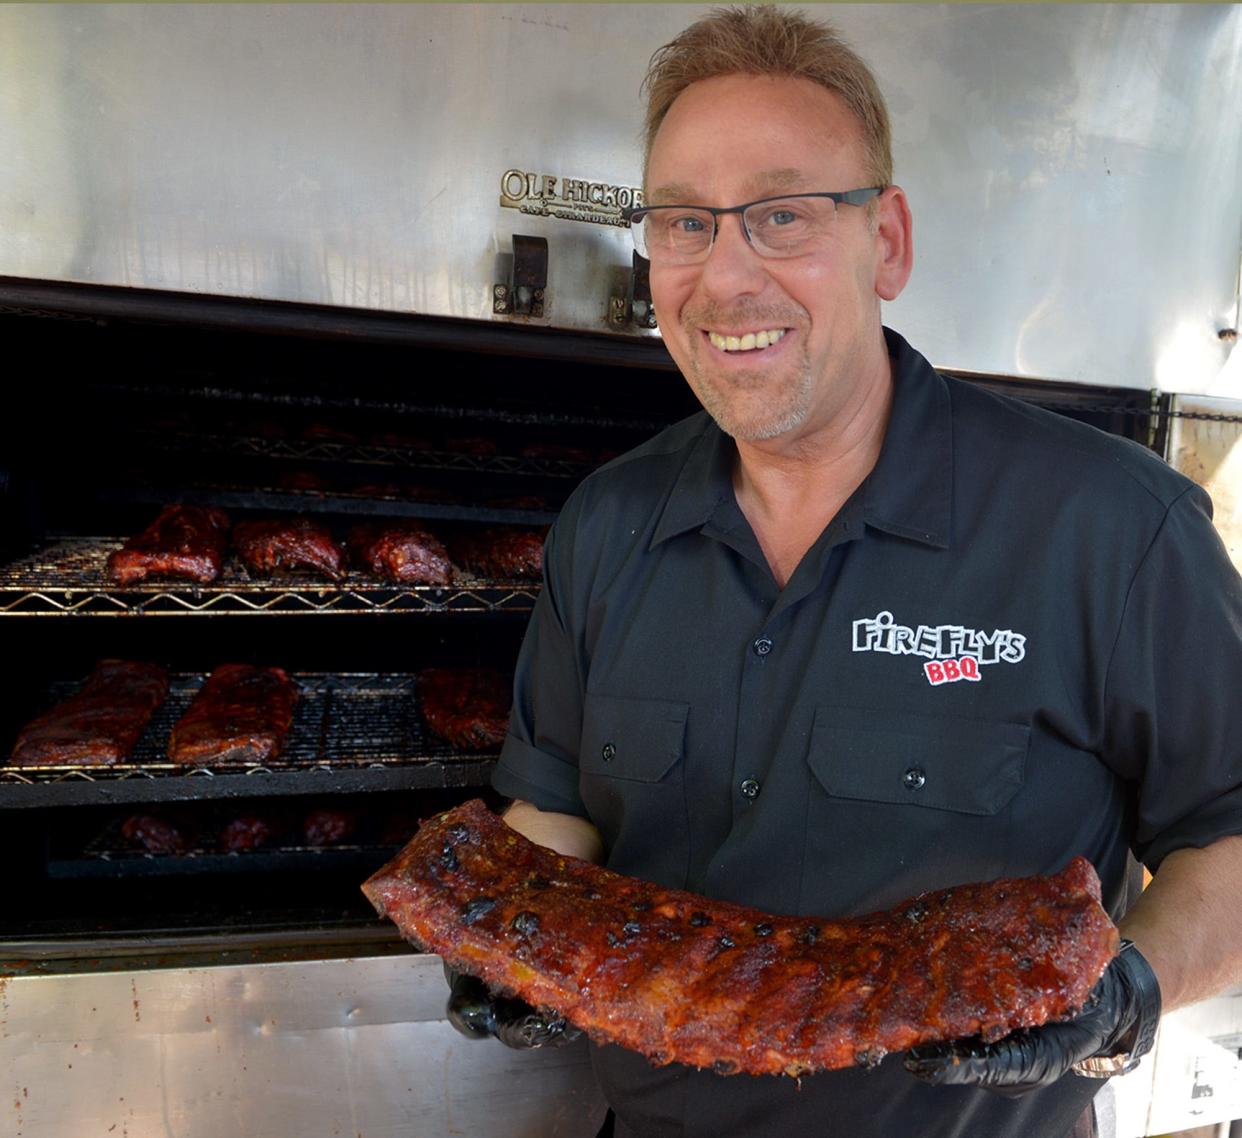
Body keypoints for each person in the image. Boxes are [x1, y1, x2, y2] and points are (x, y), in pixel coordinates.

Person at [453, 7, 1242, 1137]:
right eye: (684, 222)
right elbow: (557, 807)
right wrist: (511, 936)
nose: (724, 278)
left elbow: (1232, 834)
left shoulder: (1111, 528)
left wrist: (1131, 993)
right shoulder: (609, 523)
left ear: (890, 242)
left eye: (781, 215)